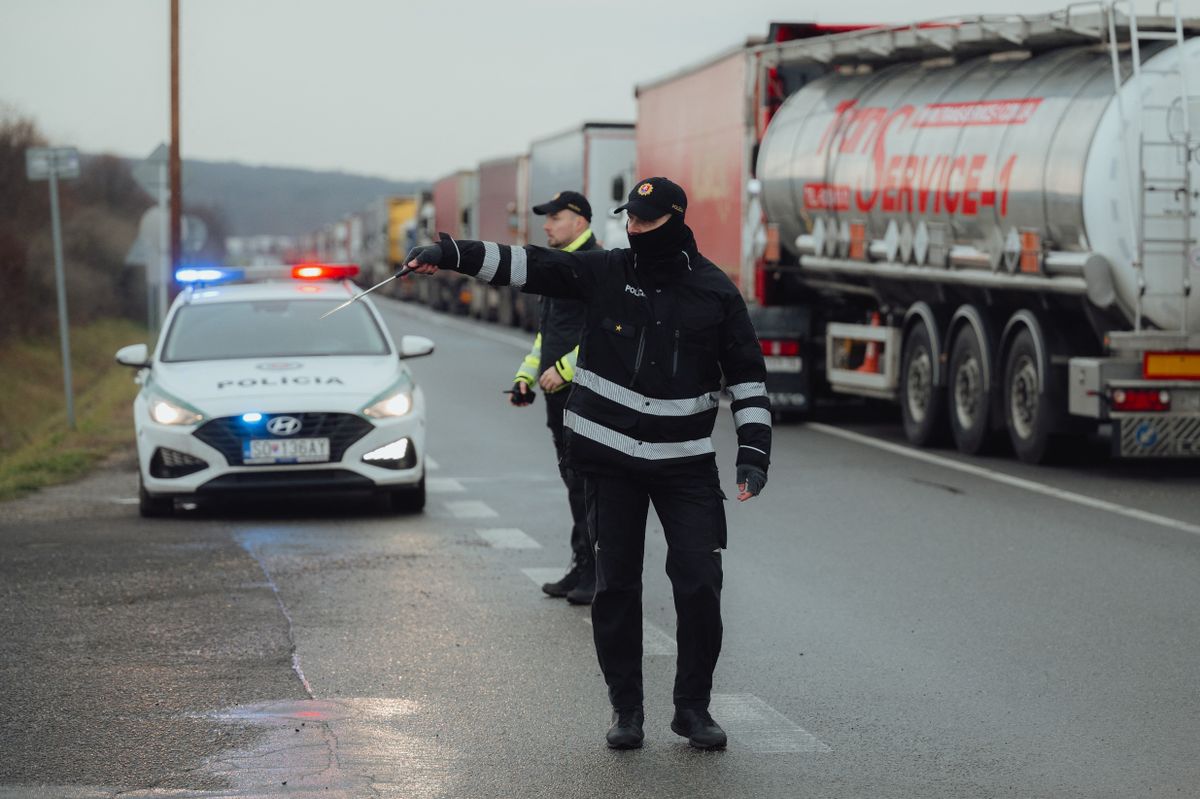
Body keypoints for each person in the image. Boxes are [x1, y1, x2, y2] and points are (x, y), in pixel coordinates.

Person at [405, 177, 771, 752]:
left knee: (700, 586)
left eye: (647, 221)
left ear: (675, 220)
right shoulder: (605, 272)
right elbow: (528, 264)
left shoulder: (715, 292)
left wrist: (753, 453)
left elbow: (748, 379)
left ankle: (692, 710)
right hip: (609, 459)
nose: (635, 229)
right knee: (617, 587)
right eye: (630, 219)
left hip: (685, 465)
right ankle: (627, 710)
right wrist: (451, 254)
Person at [511, 191, 600, 605]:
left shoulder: (594, 267)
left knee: (590, 487)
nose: (546, 226)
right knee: (573, 485)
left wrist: (564, 370)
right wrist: (526, 375)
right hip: (557, 398)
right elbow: (550, 333)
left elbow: (606, 335)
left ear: (580, 222)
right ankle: (581, 565)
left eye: (556, 218)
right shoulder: (560, 268)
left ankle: (597, 574)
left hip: (587, 396)